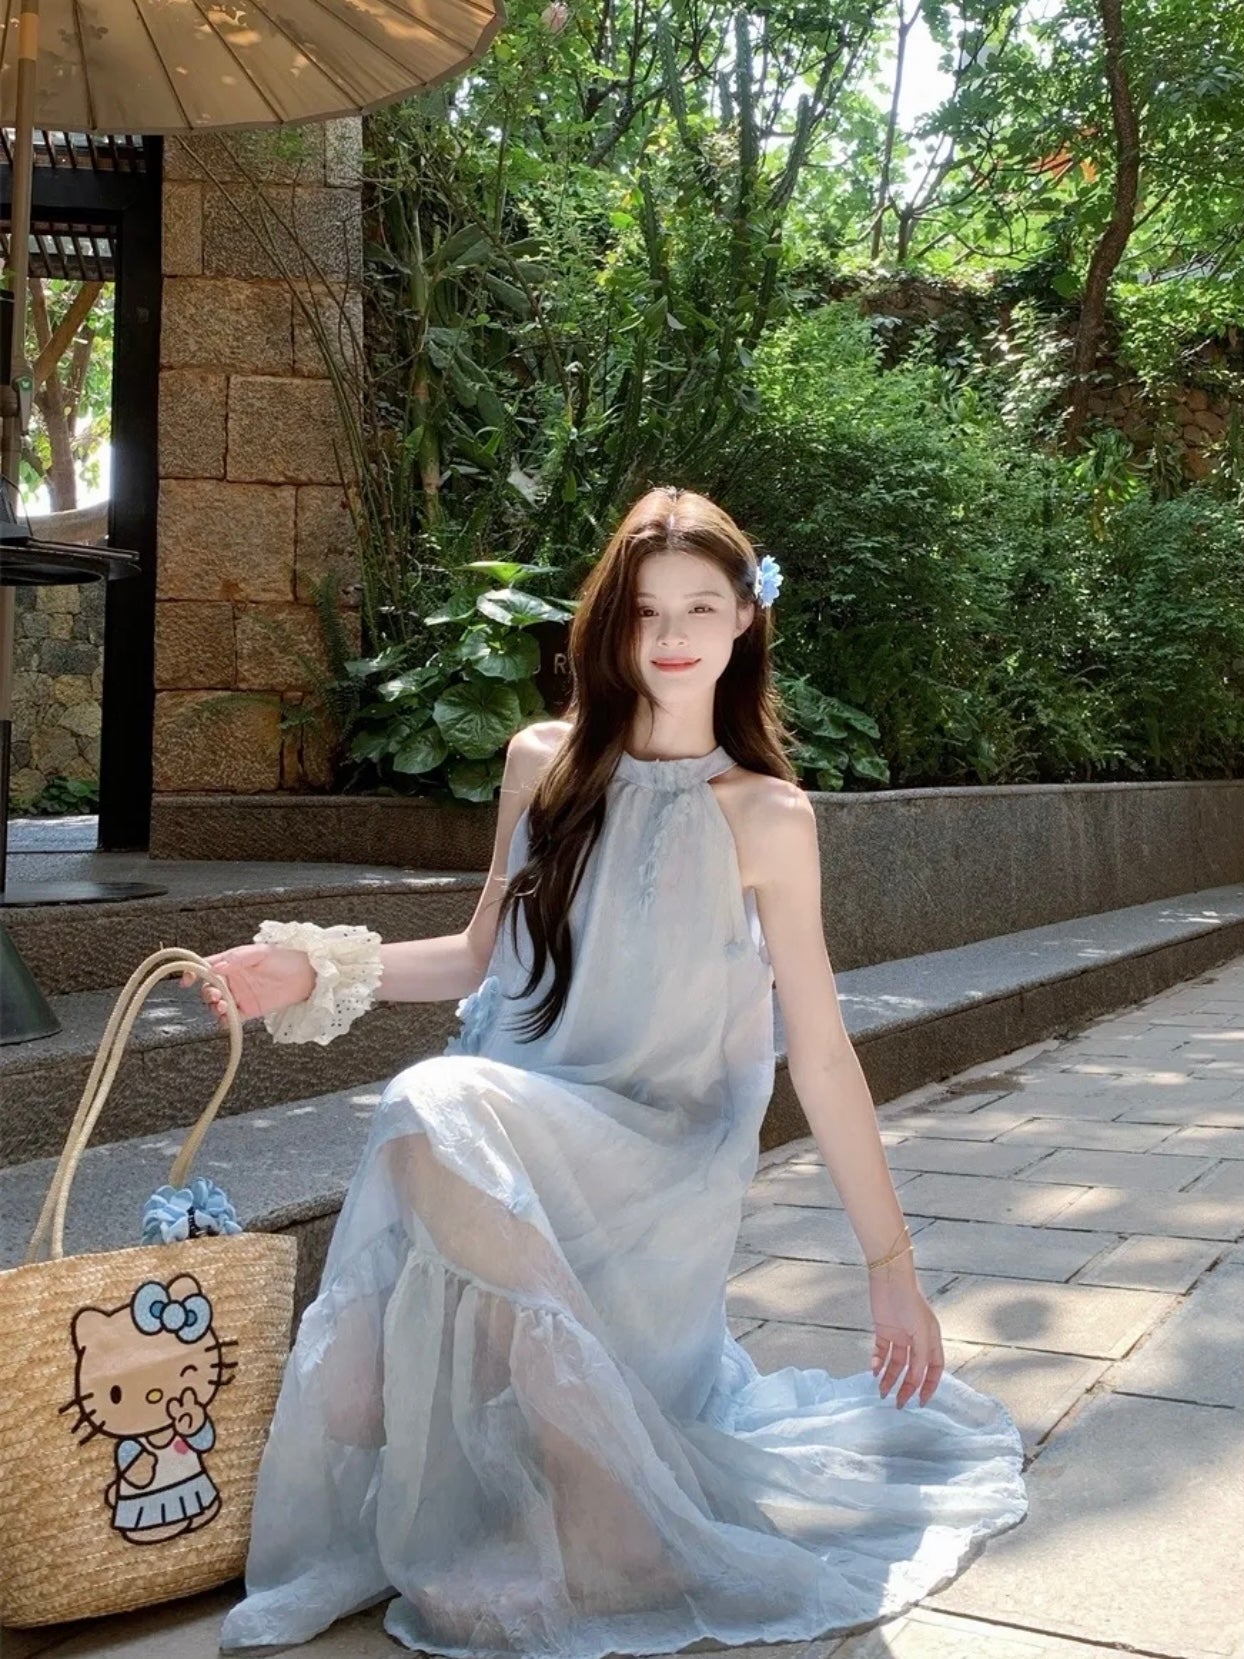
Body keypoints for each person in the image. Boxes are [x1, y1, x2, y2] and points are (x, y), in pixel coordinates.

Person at [207, 487, 1027, 1657]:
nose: (672, 635)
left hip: (661, 1154)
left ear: (745, 618)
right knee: (369, 1350)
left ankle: (612, 1521)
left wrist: (890, 1268)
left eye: (700, 606)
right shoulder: (543, 762)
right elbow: (479, 957)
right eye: (645, 610)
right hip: (522, 1115)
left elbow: (820, 1047)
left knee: (432, 1103)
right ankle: (529, 1484)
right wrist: (312, 969)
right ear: (610, 623)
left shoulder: (767, 816)